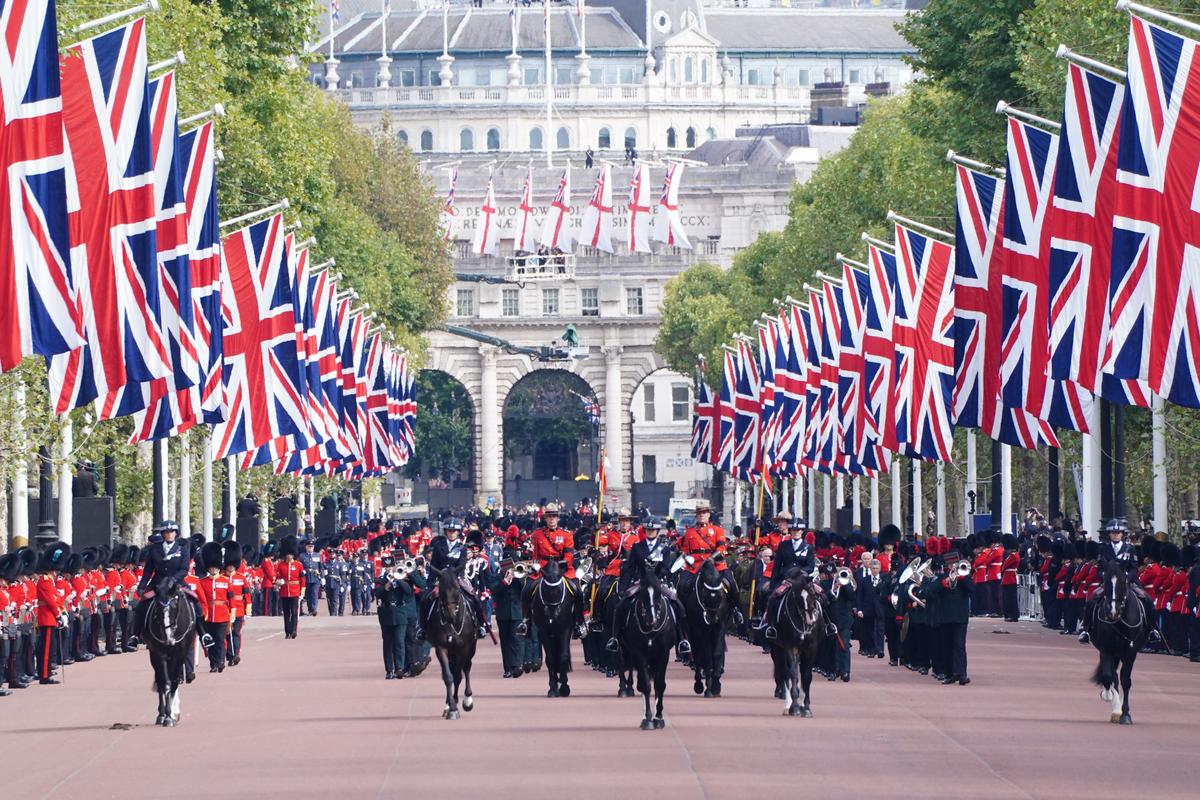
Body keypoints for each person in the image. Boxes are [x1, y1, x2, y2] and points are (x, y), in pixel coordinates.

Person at [606, 520, 691, 655]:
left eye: (653, 530)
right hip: (641, 582)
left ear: (657, 532)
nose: (650, 532)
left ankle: (682, 639)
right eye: (648, 530)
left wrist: (660, 575)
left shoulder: (664, 548)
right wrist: (623, 587)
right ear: (644, 531)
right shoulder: (637, 547)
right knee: (621, 605)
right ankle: (615, 638)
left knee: (678, 605)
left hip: (658, 582)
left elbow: (666, 567)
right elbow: (630, 568)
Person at [127, 521, 211, 650]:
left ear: (175, 534)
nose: (169, 534)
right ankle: (135, 635)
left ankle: (204, 634)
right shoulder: (154, 549)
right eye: (166, 532)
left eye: (172, 532)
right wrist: (142, 586)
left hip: (177, 583)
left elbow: (184, 569)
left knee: (195, 602)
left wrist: (173, 579)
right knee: (141, 606)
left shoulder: (182, 549)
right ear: (163, 534)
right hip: (158, 583)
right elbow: (148, 570)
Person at [1080, 518, 1158, 644]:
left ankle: (1152, 629)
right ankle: (1086, 630)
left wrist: (1127, 577)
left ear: (1122, 534)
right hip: (1109, 582)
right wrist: (1105, 576)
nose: (1116, 535)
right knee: (1091, 600)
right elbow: (1099, 568)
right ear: (1109, 534)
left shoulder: (1129, 549)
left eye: (1118, 533)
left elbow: (1134, 567)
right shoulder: (1104, 548)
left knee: (1147, 600)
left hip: (1127, 582)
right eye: (1113, 533)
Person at [374, 555, 414, 679]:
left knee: (399, 642)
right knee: (388, 643)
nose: (389, 569)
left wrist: (399, 579)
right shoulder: (380, 580)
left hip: (400, 613)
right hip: (386, 613)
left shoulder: (401, 578)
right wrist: (385, 587)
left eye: (391, 566)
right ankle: (389, 670)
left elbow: (408, 592)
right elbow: (375, 594)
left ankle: (399, 668)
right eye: (387, 567)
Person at [196, 543, 230, 673]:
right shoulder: (202, 582)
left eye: (216, 568)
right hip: (208, 615)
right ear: (208, 569)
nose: (213, 570)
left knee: (220, 640)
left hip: (222, 615)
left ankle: (221, 661)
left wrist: (232, 612)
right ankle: (213, 664)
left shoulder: (226, 581)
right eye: (211, 568)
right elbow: (200, 599)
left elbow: (230, 598)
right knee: (210, 642)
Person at [276, 536, 305, 639]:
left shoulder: (298, 565)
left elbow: (302, 579)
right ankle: (287, 632)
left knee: (294, 612)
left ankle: (293, 630)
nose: (289, 556)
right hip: (284, 591)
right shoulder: (280, 565)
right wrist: (278, 582)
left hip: (295, 591)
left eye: (290, 554)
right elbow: (277, 577)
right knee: (286, 613)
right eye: (287, 554)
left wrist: (302, 591)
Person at [299, 540, 322, 616]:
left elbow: (320, 567)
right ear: (306, 547)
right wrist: (304, 571)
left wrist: (322, 577)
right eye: (309, 546)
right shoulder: (302, 556)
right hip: (306, 577)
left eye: (312, 546)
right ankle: (310, 609)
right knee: (308, 594)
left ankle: (314, 609)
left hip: (315, 577)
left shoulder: (317, 555)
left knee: (315, 593)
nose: (310, 548)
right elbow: (300, 567)